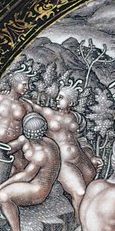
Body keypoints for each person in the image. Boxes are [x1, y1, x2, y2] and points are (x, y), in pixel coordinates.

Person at [0, 113, 61, 231]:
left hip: (38, 189)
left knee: (3, 196)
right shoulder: (29, 139)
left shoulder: (42, 153)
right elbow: (10, 147)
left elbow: (25, 176)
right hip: (28, 180)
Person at [28, 83, 100, 214]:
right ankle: (80, 224)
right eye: (58, 96)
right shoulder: (49, 113)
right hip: (62, 162)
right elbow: (32, 106)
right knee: (80, 192)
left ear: (71, 102)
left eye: (61, 97)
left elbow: (80, 140)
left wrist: (91, 156)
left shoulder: (75, 117)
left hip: (80, 158)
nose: (57, 99)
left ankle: (85, 217)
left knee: (90, 190)